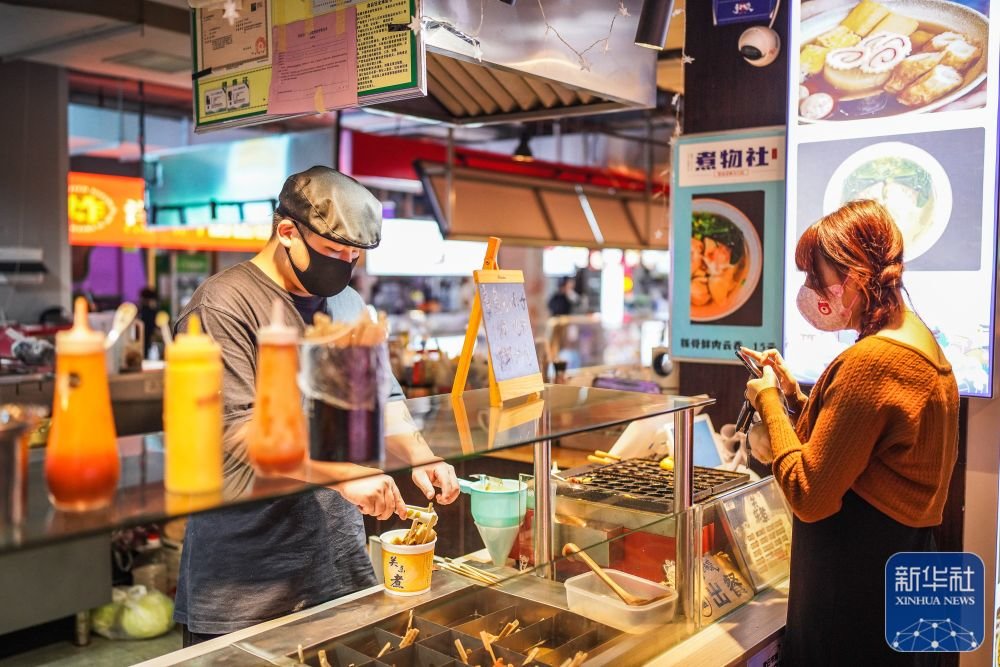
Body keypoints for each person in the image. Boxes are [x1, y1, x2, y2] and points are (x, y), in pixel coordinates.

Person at [173, 166, 459, 646]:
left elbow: (381, 398)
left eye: (354, 256)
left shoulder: (345, 303)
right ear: (286, 231)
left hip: (338, 566)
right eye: (332, 252)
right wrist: (343, 475)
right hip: (248, 582)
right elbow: (235, 435)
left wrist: (420, 454)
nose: (343, 266)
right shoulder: (223, 306)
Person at [743, 200, 959, 665]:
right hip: (907, 570)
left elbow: (810, 492)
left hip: (857, 595)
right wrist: (794, 397)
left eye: (815, 278)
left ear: (858, 277)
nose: (809, 291)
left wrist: (766, 402)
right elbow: (859, 444)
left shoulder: (872, 361)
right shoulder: (922, 346)